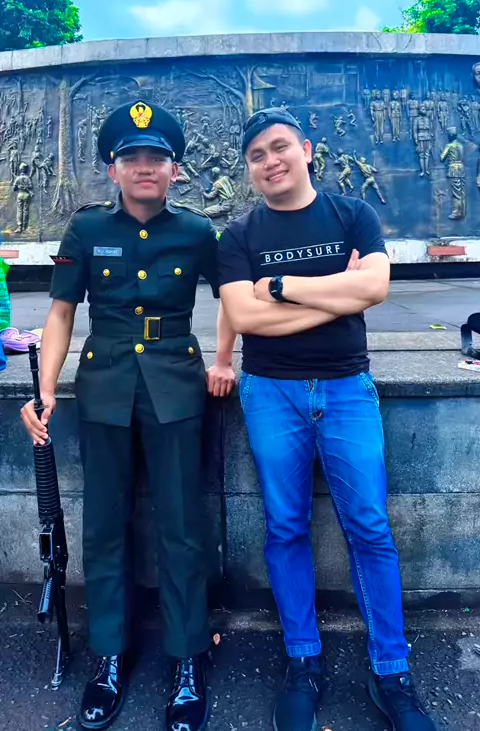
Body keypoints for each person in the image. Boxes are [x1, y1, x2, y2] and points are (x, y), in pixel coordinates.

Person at [217, 107, 436, 731]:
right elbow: (245, 318)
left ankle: (391, 670)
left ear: (307, 149)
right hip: (270, 393)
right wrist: (339, 290)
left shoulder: (352, 214)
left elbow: (376, 289)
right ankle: (303, 661)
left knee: (370, 526)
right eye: (256, 155)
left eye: (279, 147)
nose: (270, 161)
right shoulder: (238, 236)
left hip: (346, 389)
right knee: (285, 526)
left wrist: (280, 286)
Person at [20, 100, 236, 731]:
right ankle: (109, 656)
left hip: (176, 385)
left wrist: (224, 359)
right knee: (105, 525)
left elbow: (232, 298)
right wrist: (47, 389)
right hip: (106, 386)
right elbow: (61, 311)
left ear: (175, 170)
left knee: (182, 526)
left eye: (157, 158)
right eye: (132, 158)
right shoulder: (86, 230)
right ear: (113, 169)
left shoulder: (196, 232)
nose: (146, 167)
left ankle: (188, 658)